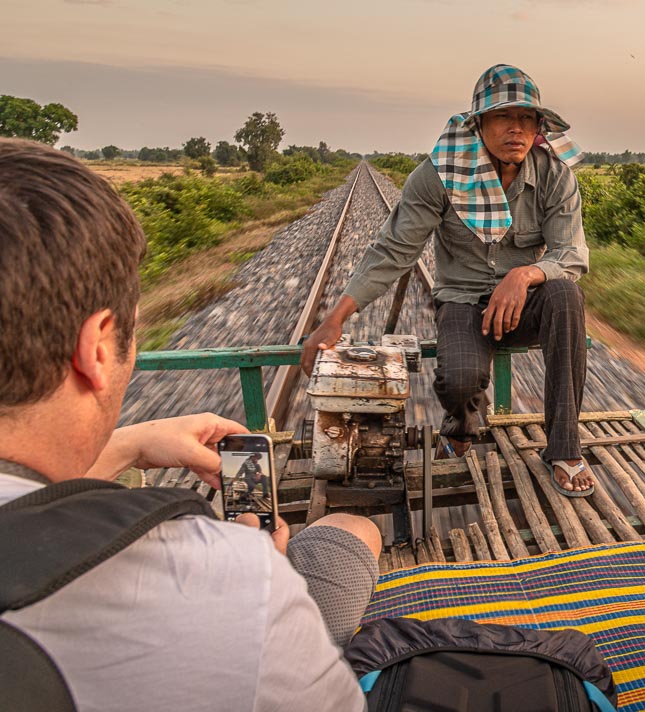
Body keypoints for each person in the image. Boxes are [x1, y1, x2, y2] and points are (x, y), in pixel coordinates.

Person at [0, 138, 379, 710]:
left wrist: (126, 444)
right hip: (250, 639)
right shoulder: (221, 577)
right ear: (97, 348)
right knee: (349, 534)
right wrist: (267, 585)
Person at [302, 64, 595, 496]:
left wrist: (523, 274)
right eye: (503, 117)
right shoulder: (440, 175)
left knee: (566, 293)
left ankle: (565, 449)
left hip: (526, 299)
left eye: (527, 119)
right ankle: (459, 431)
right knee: (458, 380)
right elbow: (394, 250)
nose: (517, 128)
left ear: (539, 127)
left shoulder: (554, 175)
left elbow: (569, 253)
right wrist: (336, 316)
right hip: (463, 300)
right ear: (478, 124)